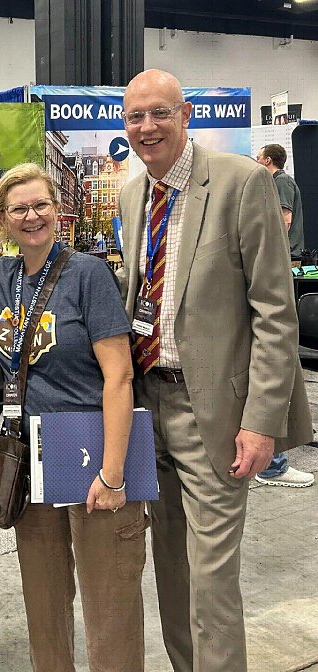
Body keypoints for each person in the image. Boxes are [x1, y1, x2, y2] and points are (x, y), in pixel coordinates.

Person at [118, 69, 312, 672]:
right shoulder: (132, 194)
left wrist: (262, 421)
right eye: (135, 117)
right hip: (148, 403)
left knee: (211, 576)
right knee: (169, 563)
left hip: (217, 414)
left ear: (186, 115)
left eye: (159, 113)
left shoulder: (241, 183)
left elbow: (276, 314)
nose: (147, 127)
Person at [0, 163, 146, 671]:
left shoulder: (88, 274)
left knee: (111, 603)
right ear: (2, 221)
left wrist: (113, 473)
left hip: (93, 448)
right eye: (19, 209)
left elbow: (118, 377)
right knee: (43, 598)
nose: (32, 216)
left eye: (41, 205)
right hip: (33, 456)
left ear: (58, 211)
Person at [254, 143, 314, 488]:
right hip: (283, 260)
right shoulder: (281, 181)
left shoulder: (279, 182)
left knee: (277, 347)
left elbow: (284, 217)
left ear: (267, 160)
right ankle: (273, 461)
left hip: (282, 260)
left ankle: (274, 462)